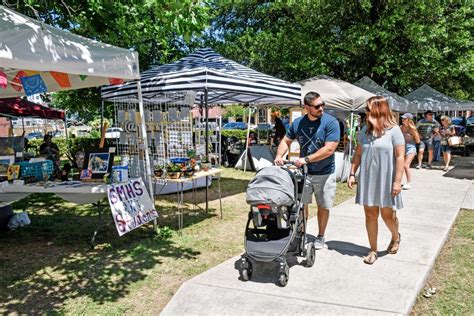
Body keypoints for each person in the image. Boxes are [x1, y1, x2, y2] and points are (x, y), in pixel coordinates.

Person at [274, 91, 340, 250]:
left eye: (322, 104)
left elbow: (329, 149)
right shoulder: (298, 123)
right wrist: (279, 155)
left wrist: (306, 159)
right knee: (301, 204)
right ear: (306, 107)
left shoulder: (331, 122)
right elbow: (286, 140)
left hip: (325, 172)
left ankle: (320, 236)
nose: (321, 108)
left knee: (323, 205)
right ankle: (301, 233)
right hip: (305, 172)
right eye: (317, 106)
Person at [348, 96, 405, 265]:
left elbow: (400, 157)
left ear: (378, 110)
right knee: (370, 215)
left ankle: (396, 237)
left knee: (388, 216)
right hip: (368, 179)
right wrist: (352, 173)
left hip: (387, 179)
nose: (365, 113)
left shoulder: (394, 131)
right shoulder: (364, 131)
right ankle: (373, 249)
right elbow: (358, 154)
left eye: (368, 109)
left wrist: (397, 181)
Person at [400, 113, 420, 190]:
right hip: (402, 147)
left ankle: (408, 183)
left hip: (411, 148)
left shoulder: (412, 129)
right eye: (402, 118)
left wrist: (412, 136)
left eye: (404, 119)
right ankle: (399, 181)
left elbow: (418, 141)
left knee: (406, 165)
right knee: (401, 166)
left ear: (409, 120)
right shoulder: (400, 127)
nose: (402, 120)